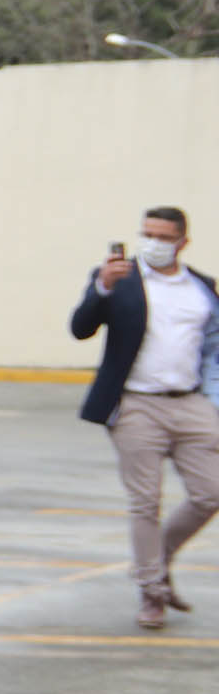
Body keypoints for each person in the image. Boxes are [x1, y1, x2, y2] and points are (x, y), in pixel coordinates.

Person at [68, 205, 219, 631]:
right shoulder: (121, 280)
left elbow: (214, 346)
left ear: (181, 242)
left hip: (191, 403)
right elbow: (80, 328)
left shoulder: (202, 288)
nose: (151, 242)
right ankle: (152, 592)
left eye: (162, 235)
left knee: (210, 493)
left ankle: (160, 559)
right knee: (145, 502)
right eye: (146, 233)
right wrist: (101, 287)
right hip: (136, 405)